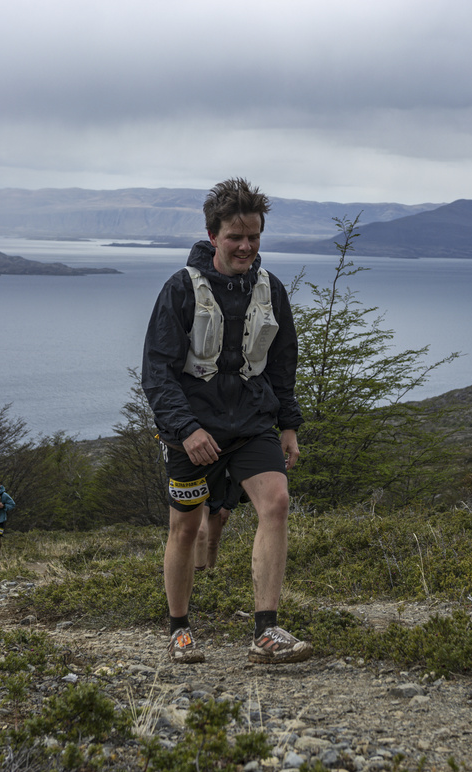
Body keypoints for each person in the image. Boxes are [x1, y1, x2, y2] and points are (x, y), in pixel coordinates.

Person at [142, 176, 311, 666]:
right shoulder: (180, 289)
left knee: (276, 503)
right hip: (193, 431)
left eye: (253, 236)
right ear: (213, 235)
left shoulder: (270, 289)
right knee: (185, 529)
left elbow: (282, 363)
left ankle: (266, 631)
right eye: (235, 237)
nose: (246, 246)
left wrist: (288, 425)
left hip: (252, 423)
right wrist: (186, 430)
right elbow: (157, 371)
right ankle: (179, 630)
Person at [193, 470, 246, 571]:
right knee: (200, 532)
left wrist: (228, 506)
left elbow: (239, 478)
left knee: (212, 542)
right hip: (199, 486)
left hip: (222, 493)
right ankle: (198, 571)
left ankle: (209, 573)